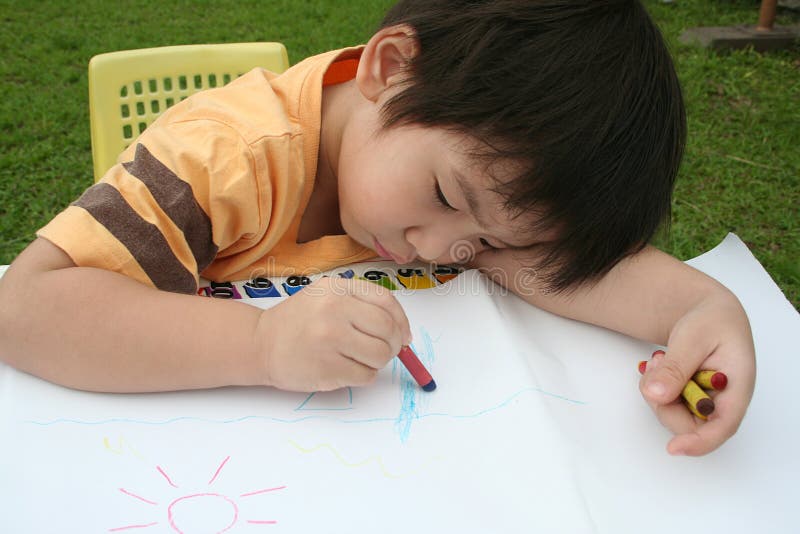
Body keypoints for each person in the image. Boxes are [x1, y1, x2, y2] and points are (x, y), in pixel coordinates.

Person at [0, 0, 755, 456]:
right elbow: (27, 308)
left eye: (491, 240)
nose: (447, 249)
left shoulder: (463, 193)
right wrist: (262, 345)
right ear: (389, 69)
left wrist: (700, 310)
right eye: (443, 196)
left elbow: (546, 265)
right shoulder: (226, 159)